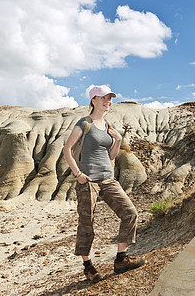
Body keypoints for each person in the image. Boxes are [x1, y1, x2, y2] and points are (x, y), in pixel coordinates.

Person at [63, 85, 145, 282]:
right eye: (104, 98)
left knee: (130, 213)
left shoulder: (108, 125)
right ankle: (88, 267)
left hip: (108, 179)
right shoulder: (84, 123)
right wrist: (78, 174)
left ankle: (121, 260)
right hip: (88, 180)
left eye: (110, 98)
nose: (108, 101)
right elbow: (67, 149)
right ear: (93, 100)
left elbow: (110, 156)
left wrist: (117, 140)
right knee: (86, 223)